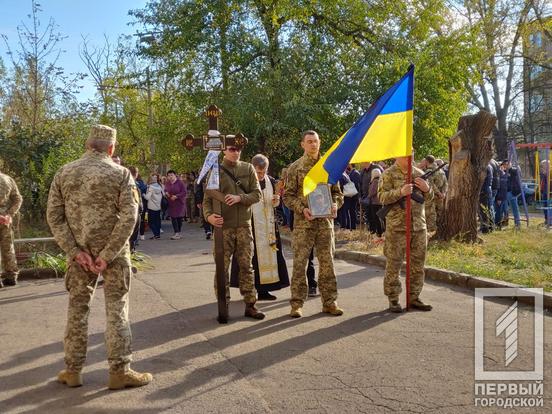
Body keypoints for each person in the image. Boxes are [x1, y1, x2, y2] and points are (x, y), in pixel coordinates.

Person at [46, 124, 152, 390]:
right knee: (117, 309)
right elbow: (130, 216)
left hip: (79, 255)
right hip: (114, 256)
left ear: (87, 144)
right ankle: (119, 371)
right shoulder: (121, 174)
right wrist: (107, 254)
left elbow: (54, 217)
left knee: (77, 310)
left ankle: (73, 370)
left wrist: (75, 251)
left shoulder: (64, 172)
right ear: (111, 147)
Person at [284, 130, 344, 318]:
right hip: (304, 223)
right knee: (300, 264)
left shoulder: (328, 166)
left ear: (320, 142)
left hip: (325, 224)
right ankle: (297, 304)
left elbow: (337, 193)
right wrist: (302, 209)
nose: (313, 145)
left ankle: (330, 302)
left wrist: (335, 205)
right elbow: (288, 196)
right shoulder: (295, 168)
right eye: (309, 141)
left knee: (328, 264)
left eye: (315, 141)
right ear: (302, 144)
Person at [203, 143, 265, 320]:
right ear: (224, 150)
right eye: (231, 148)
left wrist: (240, 198)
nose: (235, 152)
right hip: (223, 228)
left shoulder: (248, 168)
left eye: (238, 149)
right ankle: (224, 306)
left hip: (244, 226)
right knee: (222, 268)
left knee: (247, 267)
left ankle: (251, 305)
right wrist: (209, 218)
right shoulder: (215, 171)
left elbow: (257, 194)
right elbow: (207, 200)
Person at [378, 155, 433, 313]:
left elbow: (431, 199)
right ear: (397, 155)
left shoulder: (418, 173)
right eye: (406, 152)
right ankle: (393, 298)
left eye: (412, 152)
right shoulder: (388, 174)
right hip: (397, 228)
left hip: (418, 227)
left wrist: (427, 189)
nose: (410, 156)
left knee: (418, 264)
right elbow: (382, 197)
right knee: (394, 264)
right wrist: (400, 192)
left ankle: (414, 297)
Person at [230, 154, 290, 301]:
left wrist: (276, 201)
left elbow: (273, 204)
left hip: (269, 227)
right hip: (251, 226)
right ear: (252, 169)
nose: (261, 175)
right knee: (251, 259)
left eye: (264, 172)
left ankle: (265, 291)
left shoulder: (271, 182)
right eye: (258, 172)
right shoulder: (244, 183)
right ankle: (250, 290)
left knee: (270, 258)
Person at [0, 170, 23, 287]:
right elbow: (18, 199)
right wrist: (9, 215)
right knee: (8, 247)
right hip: (5, 220)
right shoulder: (8, 179)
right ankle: (11, 276)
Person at [164, 170, 187, 239]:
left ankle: (178, 232)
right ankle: (176, 232)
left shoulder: (180, 183)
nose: (170, 177)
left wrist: (177, 196)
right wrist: (166, 193)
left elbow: (184, 192)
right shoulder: (167, 183)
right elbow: (165, 190)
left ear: (175, 175)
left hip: (179, 203)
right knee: (173, 217)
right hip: (171, 203)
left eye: (172, 175)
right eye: (169, 175)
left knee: (179, 218)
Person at [128, 166, 143, 254]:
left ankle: (133, 250)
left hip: (137, 211)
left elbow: (139, 197)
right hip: (131, 211)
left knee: (135, 233)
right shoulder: (128, 183)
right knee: (132, 234)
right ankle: (130, 251)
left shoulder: (136, 184)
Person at [144, 174, 164, 239]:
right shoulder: (160, 186)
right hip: (158, 206)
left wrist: (143, 194)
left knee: (151, 222)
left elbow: (147, 197)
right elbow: (163, 195)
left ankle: (155, 234)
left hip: (151, 207)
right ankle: (157, 235)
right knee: (157, 221)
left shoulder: (150, 187)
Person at [367, 168, 384, 238]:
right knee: (380, 218)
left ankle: (379, 233)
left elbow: (372, 192)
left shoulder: (375, 181)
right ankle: (381, 232)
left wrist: (368, 196)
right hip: (380, 201)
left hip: (375, 202)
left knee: (376, 218)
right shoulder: (381, 180)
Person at [195, 175, 212, 239]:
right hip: (204, 199)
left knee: (215, 213)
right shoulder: (202, 177)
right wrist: (199, 201)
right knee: (206, 214)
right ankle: (208, 230)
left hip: (215, 199)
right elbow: (198, 190)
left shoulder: (218, 173)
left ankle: (213, 231)